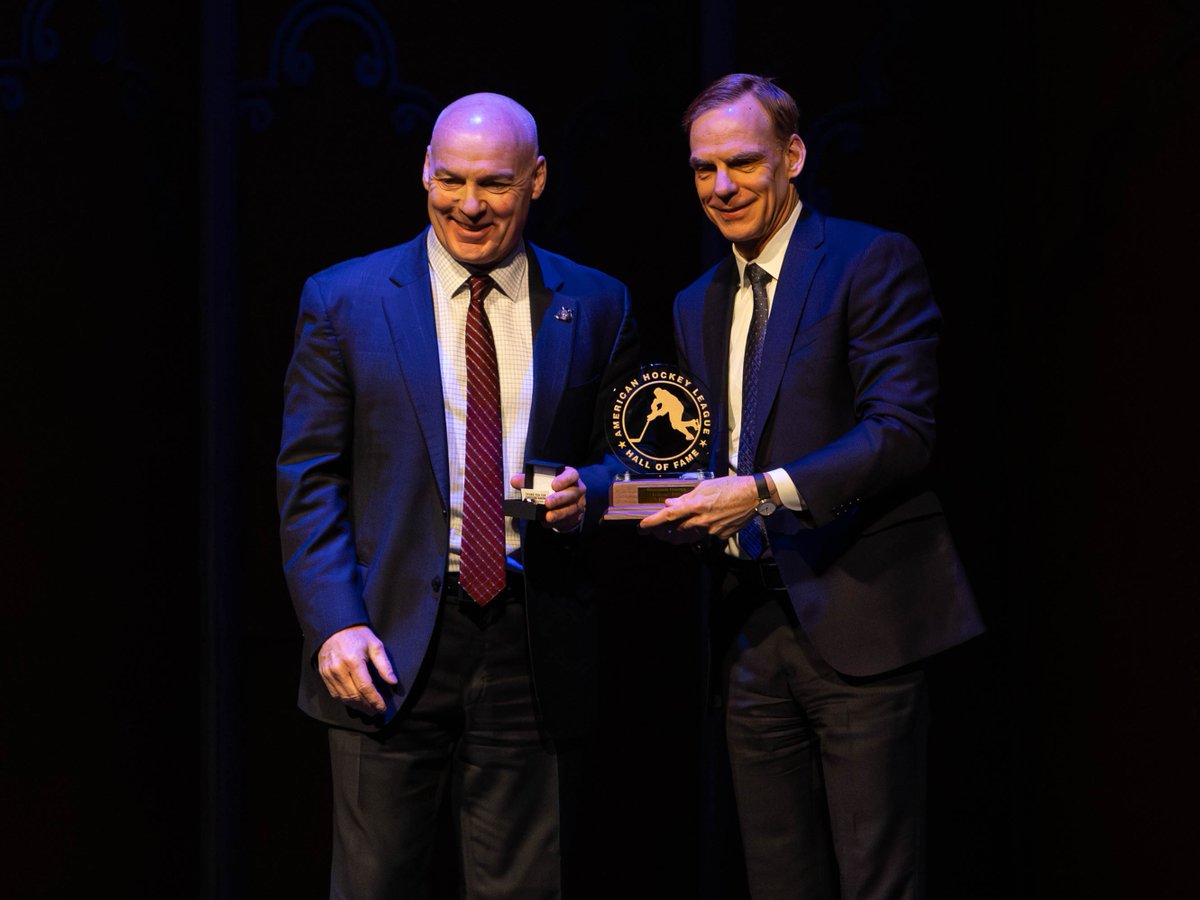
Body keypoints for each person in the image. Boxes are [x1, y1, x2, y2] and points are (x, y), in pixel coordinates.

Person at [276, 91, 639, 899]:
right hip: (386, 644)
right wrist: (335, 622)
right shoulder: (344, 299)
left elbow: (629, 456)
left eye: (496, 185)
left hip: (530, 640)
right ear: (425, 173)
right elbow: (308, 479)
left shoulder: (598, 302)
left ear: (536, 181)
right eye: (451, 181)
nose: (469, 206)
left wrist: (598, 491)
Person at [640, 73, 985, 899]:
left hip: (860, 619)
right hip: (748, 632)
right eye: (702, 169)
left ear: (793, 156)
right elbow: (708, 450)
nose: (721, 187)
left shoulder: (870, 260)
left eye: (743, 163)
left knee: (879, 881)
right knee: (777, 881)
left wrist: (762, 491)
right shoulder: (697, 303)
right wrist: (638, 498)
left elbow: (902, 431)